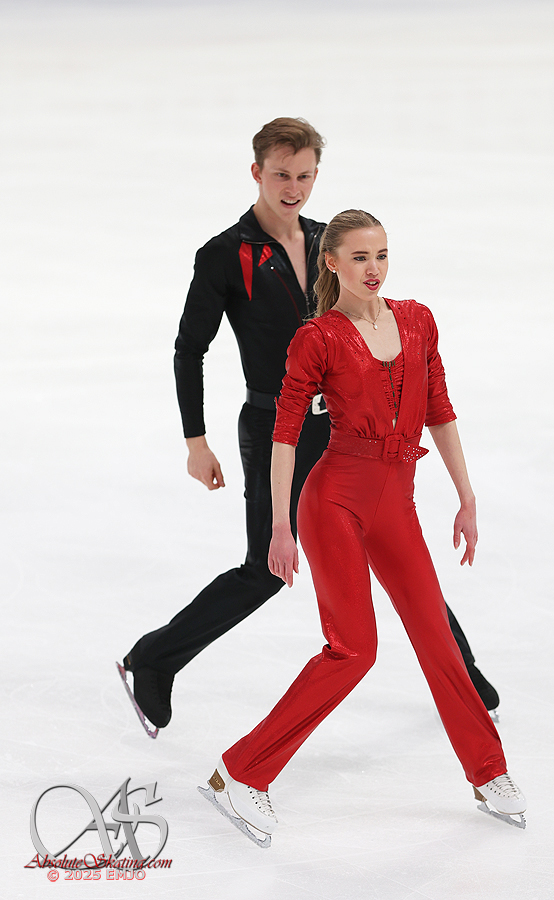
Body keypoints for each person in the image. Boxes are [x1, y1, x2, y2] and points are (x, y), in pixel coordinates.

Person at [119, 118, 499, 734]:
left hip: (344, 428)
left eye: (304, 176)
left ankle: (465, 672)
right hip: (275, 424)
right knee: (264, 569)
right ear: (256, 173)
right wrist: (196, 441)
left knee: (392, 543)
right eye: (280, 175)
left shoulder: (330, 240)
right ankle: (155, 658)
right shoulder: (225, 255)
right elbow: (190, 350)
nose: (292, 188)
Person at [201, 210, 525, 842]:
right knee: (354, 650)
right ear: (332, 262)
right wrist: (279, 527)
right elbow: (285, 436)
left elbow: (440, 410)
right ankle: (240, 772)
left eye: (381, 255)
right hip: (334, 504)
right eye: (359, 258)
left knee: (439, 639)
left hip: (396, 504)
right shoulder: (318, 338)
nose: (373, 269)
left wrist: (466, 496)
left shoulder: (418, 320)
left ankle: (489, 771)